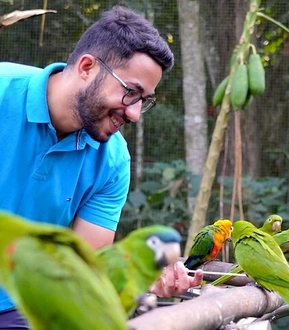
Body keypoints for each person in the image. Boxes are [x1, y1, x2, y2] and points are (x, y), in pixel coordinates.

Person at [0, 5, 202, 329]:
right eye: (130, 92)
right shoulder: (2, 91)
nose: (135, 113)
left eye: (144, 100)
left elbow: (83, 269)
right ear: (87, 67)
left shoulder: (114, 160)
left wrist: (143, 279)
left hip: (24, 306)